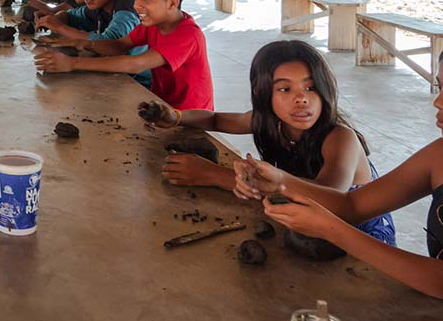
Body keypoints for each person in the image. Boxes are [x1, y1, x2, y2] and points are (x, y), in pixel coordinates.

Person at [141, 40, 394, 244]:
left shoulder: (340, 138)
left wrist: (215, 175)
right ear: (263, 94)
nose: (301, 99)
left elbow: (328, 198)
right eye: (285, 89)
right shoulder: (272, 122)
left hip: (359, 237)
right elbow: (216, 120)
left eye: (311, 87)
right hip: (306, 227)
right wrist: (176, 116)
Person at [231, 59, 443, 298]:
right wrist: (280, 182)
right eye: (440, 87)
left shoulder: (339, 137)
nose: (437, 101)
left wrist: (333, 230)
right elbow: (351, 205)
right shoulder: (438, 155)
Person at [37, 0, 208, 104]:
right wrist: (80, 43)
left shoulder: (187, 35)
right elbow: (119, 45)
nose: (136, 5)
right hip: (160, 107)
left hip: (189, 118)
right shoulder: (153, 25)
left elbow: (135, 64)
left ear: (172, 3)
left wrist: (72, 63)